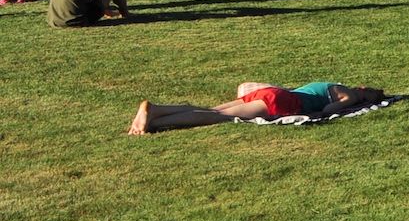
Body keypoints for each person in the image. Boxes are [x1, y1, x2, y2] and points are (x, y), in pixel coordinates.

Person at [130, 81, 387, 134]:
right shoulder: (350, 96)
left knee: (212, 109)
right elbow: (328, 110)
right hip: (283, 103)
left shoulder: (332, 82)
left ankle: (158, 110)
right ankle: (155, 122)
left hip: (274, 92)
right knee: (218, 117)